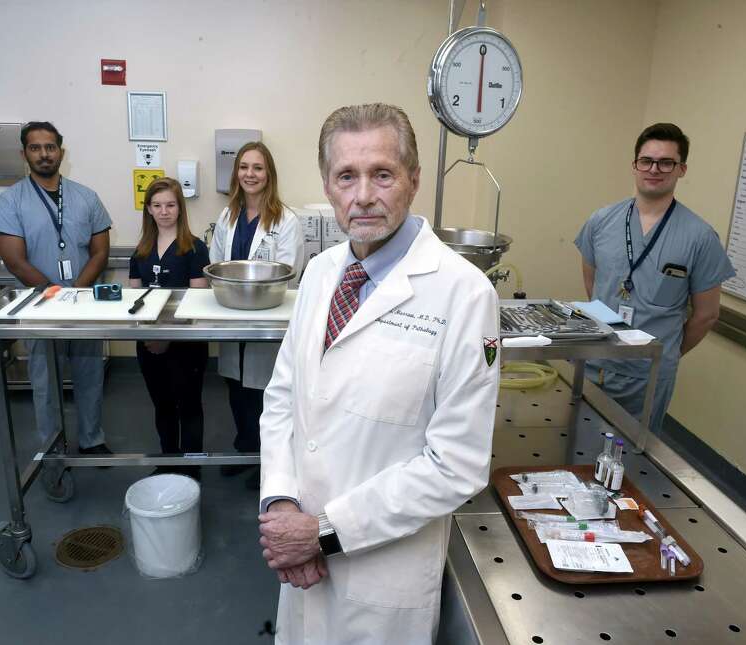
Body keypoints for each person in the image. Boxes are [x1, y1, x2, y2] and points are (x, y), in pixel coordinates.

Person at [256, 104, 499, 644]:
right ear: (328, 184)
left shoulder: (464, 293)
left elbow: (457, 464)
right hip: (300, 561)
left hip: (380, 574)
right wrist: (280, 501)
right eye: (347, 176)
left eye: (382, 174)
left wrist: (323, 532)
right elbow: (283, 396)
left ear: (413, 181)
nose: (363, 195)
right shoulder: (320, 274)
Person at [575, 123, 735, 432]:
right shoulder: (601, 221)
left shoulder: (700, 237)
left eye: (666, 162)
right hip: (594, 361)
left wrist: (663, 354)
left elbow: (706, 314)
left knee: (631, 456)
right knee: (574, 443)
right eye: (646, 160)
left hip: (647, 377)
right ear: (634, 165)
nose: (654, 169)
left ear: (681, 169)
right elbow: (593, 286)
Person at [0, 121, 113, 455]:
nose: (44, 154)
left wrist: (75, 293)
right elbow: (14, 260)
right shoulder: (10, 202)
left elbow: (101, 251)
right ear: (24, 153)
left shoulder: (87, 197)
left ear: (61, 151)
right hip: (39, 307)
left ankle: (92, 439)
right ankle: (53, 449)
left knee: (90, 376)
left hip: (84, 304)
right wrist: (55, 296)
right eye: (35, 147)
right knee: (45, 383)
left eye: (50, 147)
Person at [209, 141, 303, 489]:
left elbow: (290, 270)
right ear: (237, 173)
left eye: (258, 168)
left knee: (267, 395)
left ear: (269, 174)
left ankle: (268, 465)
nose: (250, 174)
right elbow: (217, 261)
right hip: (233, 315)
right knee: (236, 388)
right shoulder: (227, 215)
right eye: (244, 167)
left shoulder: (286, 220)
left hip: (268, 317)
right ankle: (244, 449)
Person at [129, 177, 209, 477]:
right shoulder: (140, 251)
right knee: (162, 404)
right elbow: (135, 299)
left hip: (185, 344)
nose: (164, 211)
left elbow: (196, 301)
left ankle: (191, 468)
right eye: (158, 205)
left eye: (171, 205)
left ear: (180, 208)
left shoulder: (195, 249)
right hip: (149, 343)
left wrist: (168, 339)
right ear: (148, 209)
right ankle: (168, 460)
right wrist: (151, 337)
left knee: (188, 404)